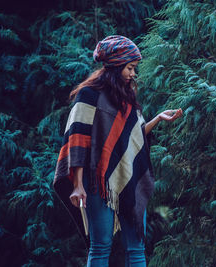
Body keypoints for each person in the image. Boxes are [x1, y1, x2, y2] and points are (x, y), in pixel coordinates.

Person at [53, 35, 183, 267]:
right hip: (97, 182)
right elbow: (77, 141)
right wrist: (78, 185)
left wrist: (157, 119)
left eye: (134, 68)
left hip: (128, 178)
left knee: (137, 248)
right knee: (101, 246)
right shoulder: (88, 95)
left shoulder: (126, 97)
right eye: (130, 68)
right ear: (115, 66)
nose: (134, 73)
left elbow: (133, 137)